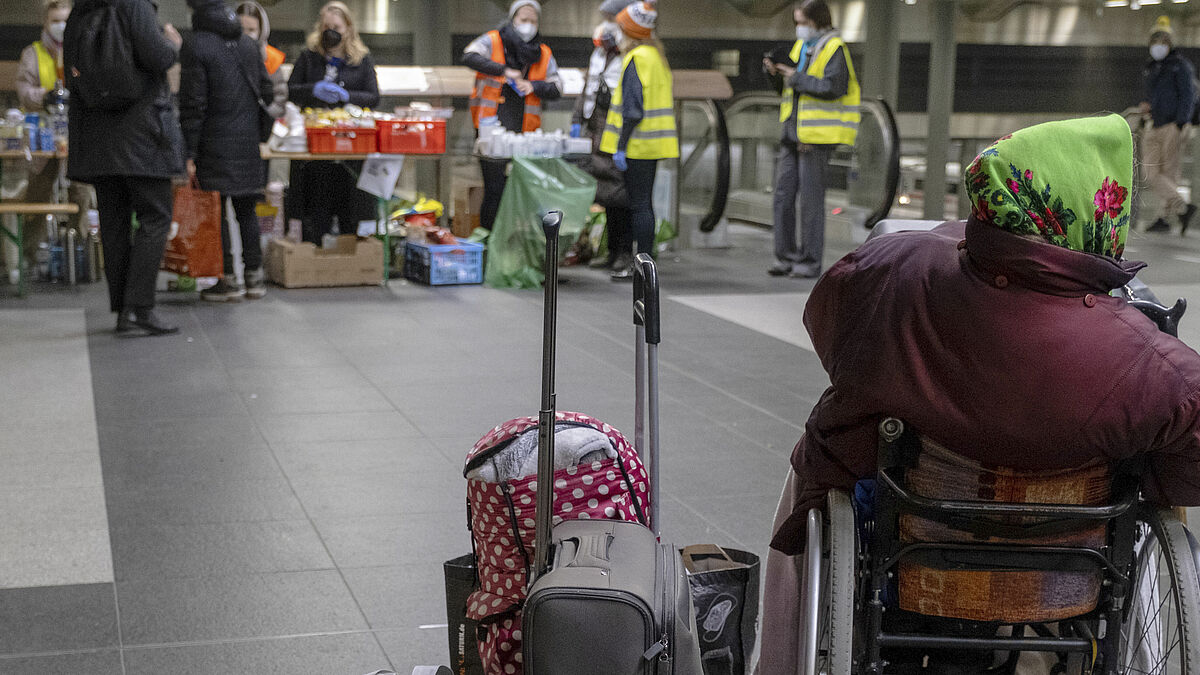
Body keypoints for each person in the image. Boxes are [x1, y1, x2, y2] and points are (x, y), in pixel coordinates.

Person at [755, 114, 1200, 674]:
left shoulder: (896, 273)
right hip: (1069, 572)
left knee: (827, 464)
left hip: (916, 553)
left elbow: (833, 336)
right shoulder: (1151, 363)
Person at [65, 0, 184, 335]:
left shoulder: (80, 11)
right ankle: (140, 307)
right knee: (155, 217)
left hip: (96, 137)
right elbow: (158, 57)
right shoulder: (134, 5)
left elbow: (71, 73)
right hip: (142, 133)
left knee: (114, 223)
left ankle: (122, 309)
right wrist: (173, 44)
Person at [179, 0, 273, 302]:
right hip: (247, 141)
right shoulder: (248, 44)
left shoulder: (195, 45)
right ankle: (255, 278)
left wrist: (189, 151)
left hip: (213, 142)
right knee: (247, 210)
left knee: (216, 212)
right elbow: (267, 90)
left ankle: (227, 279)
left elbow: (194, 103)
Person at [763, 0, 858, 279]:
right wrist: (776, 74)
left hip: (816, 136)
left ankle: (809, 261)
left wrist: (797, 77)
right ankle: (786, 257)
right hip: (792, 132)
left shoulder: (834, 48)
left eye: (803, 22)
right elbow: (788, 87)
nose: (799, 28)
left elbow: (833, 87)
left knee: (810, 201)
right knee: (782, 196)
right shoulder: (801, 47)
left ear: (818, 21)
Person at [462, 0, 563, 234]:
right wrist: (503, 70)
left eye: (533, 21)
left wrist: (533, 86)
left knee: (522, 190)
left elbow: (557, 87)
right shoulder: (494, 40)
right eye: (523, 19)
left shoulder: (543, 53)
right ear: (513, 19)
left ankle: (517, 241)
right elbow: (469, 56)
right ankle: (490, 241)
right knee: (494, 189)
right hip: (491, 131)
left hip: (526, 135)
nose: (528, 25)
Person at [287, 0, 379, 244]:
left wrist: (348, 96)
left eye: (336, 26)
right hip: (316, 141)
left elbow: (373, 96)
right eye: (326, 26)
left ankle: (351, 243)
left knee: (350, 196)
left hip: (350, 141)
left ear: (348, 28)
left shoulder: (361, 59)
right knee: (316, 196)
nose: (331, 31)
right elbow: (292, 90)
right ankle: (314, 243)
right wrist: (313, 90)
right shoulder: (309, 57)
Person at [13, 0, 94, 274]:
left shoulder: (84, 50)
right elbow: (24, 89)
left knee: (81, 193)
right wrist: (44, 96)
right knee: (37, 195)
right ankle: (27, 258)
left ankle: (80, 256)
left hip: (78, 134)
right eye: (55, 20)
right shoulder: (32, 54)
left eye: (65, 20)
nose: (61, 26)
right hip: (43, 135)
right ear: (46, 23)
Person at [599, 0, 677, 281]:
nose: (616, 33)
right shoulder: (656, 57)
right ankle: (646, 263)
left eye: (620, 28)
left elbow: (632, 110)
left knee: (639, 206)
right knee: (646, 205)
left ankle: (642, 267)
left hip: (638, 145)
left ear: (630, 31)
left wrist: (621, 146)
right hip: (653, 145)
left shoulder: (636, 59)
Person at [573, 0, 634, 272]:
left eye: (612, 17)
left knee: (623, 194)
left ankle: (626, 252)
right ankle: (611, 252)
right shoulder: (600, 52)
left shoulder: (631, 53)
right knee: (607, 194)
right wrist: (577, 120)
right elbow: (588, 86)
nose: (607, 23)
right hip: (596, 127)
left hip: (619, 130)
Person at [1140, 15, 1197, 235]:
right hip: (1154, 123)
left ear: (1170, 42)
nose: (1158, 44)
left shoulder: (1180, 66)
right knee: (1151, 171)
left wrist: (1181, 122)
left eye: (1162, 40)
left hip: (1173, 124)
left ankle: (1164, 217)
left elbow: (1188, 95)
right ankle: (1183, 207)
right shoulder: (1152, 67)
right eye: (1155, 40)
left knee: (1169, 172)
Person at [235, 2, 288, 119]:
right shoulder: (223, 55)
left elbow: (279, 99)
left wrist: (264, 122)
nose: (246, 35)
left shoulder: (271, 57)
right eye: (241, 29)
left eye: (251, 30)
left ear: (261, 31)